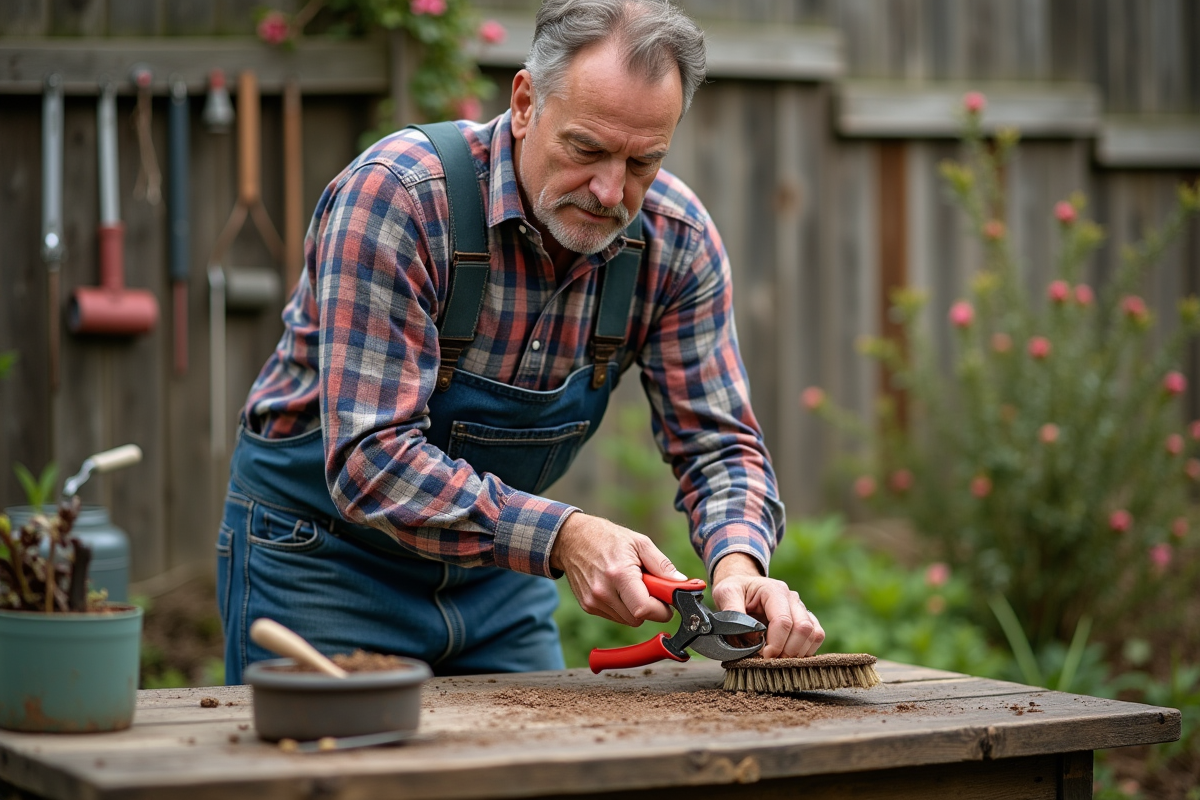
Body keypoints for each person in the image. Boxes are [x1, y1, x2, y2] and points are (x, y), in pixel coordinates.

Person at [216, 0, 824, 684]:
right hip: (324, 563)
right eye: (587, 149)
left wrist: (739, 568)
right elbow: (371, 458)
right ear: (526, 103)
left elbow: (718, 444)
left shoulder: (675, 242)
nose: (610, 191)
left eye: (643, 162)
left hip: (495, 580)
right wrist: (565, 536)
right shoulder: (401, 198)